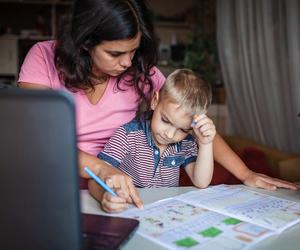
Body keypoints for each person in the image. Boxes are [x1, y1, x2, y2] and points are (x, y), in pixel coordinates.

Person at [18, 0, 298, 210]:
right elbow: (40, 139)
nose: (127, 63)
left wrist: (245, 173)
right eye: (115, 53)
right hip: (57, 181)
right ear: (83, 44)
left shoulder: (140, 72)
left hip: (116, 185)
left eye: (133, 51)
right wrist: (103, 170)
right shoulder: (42, 58)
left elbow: (194, 121)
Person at [97, 69, 216, 212]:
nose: (170, 135)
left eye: (183, 130)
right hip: (129, 208)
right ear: (155, 101)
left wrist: (205, 144)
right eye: (166, 120)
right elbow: (100, 171)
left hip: (164, 213)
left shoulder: (186, 143)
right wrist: (108, 194)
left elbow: (201, 182)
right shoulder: (128, 135)